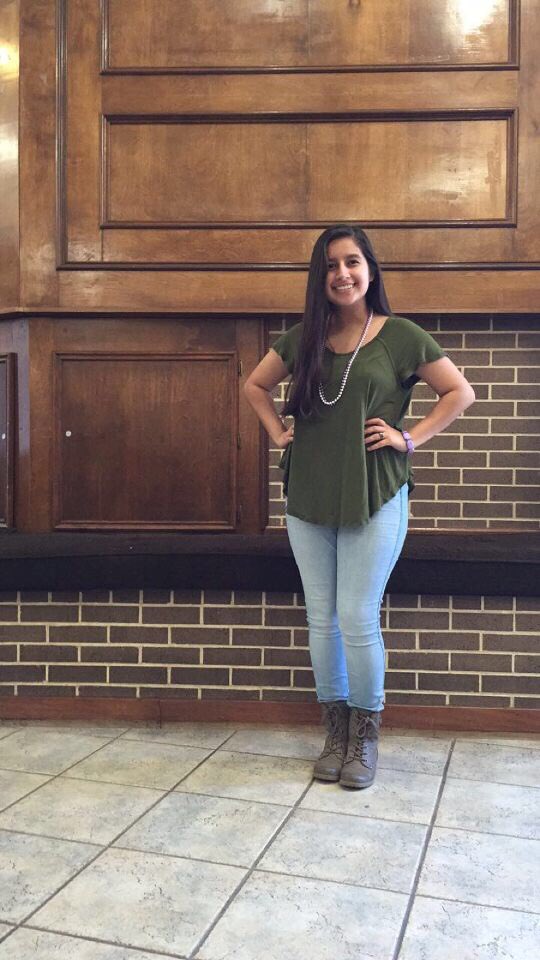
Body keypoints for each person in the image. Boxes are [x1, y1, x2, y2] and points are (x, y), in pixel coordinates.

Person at [244, 224, 475, 789]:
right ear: (319, 277)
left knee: (356, 615)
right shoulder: (303, 338)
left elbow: (460, 392)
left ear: (370, 269)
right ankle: (335, 734)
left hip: (376, 494)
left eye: (351, 261)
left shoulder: (401, 336)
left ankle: (365, 737)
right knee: (321, 619)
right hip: (308, 495)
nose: (342, 274)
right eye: (330, 265)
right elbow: (254, 386)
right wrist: (277, 432)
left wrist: (409, 437)